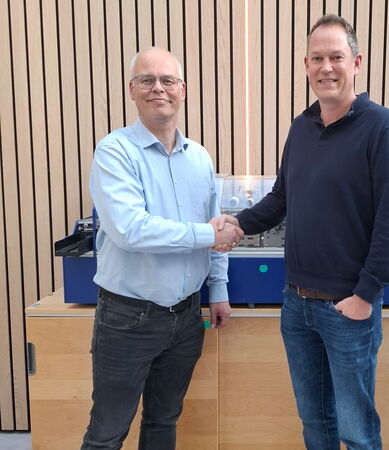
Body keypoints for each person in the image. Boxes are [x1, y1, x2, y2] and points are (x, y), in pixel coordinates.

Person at [221, 14, 389, 450]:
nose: (326, 67)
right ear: (306, 65)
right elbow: (282, 197)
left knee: (356, 432)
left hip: (348, 308)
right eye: (317, 58)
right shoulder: (301, 127)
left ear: (356, 63)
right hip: (296, 305)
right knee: (315, 422)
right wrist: (238, 223)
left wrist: (365, 296)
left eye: (336, 57)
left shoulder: (382, 129)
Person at [81, 47, 243, 450]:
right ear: (132, 90)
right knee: (107, 433)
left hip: (187, 317)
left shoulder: (200, 158)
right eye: (147, 80)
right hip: (127, 319)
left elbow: (214, 226)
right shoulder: (114, 151)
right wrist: (208, 235)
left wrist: (218, 290)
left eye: (168, 80)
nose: (159, 88)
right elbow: (131, 230)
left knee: (163, 422)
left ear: (182, 90)